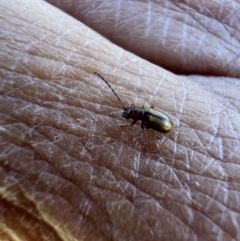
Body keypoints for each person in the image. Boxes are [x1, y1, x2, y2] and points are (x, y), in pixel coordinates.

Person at [1, 0, 239, 240]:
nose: (128, 115)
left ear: (135, 114)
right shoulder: (143, 111)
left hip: (163, 125)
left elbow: (150, 125)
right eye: (129, 114)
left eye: (130, 114)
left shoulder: (142, 118)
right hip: (162, 122)